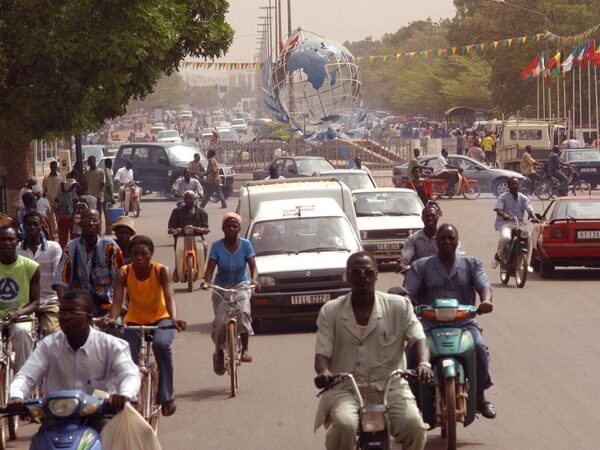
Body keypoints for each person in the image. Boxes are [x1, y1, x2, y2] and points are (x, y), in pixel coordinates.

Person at [313, 252, 432, 450]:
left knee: (415, 427)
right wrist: (324, 373)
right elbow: (322, 353)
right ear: (347, 276)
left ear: (377, 275)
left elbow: (418, 338)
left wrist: (423, 364)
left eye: (368, 272)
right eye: (356, 272)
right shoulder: (331, 311)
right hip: (347, 390)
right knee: (344, 425)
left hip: (391, 388)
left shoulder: (399, 306)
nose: (363, 277)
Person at [404, 224, 496, 419]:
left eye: (451, 238)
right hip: (429, 323)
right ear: (436, 242)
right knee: (411, 353)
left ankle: (480, 396)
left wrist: (486, 300)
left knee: (480, 348)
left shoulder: (472, 263)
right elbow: (409, 291)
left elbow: (484, 286)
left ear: (457, 241)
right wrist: (406, 302)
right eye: (443, 239)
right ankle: (413, 398)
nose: (447, 242)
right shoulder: (421, 266)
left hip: (463, 323)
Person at [8, 290, 139, 417]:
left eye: (73, 312)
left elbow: (129, 374)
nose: (65, 317)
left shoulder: (111, 345)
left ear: (89, 316)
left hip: (100, 420)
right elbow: (26, 376)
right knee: (40, 440)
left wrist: (124, 394)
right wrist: (16, 396)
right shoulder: (48, 345)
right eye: (62, 312)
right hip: (57, 422)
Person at [102, 235, 186, 417]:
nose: (139, 258)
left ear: (151, 254)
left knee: (161, 345)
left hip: (162, 319)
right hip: (135, 320)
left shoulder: (161, 270)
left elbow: (170, 296)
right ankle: (129, 393)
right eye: (135, 254)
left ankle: (166, 395)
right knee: (126, 353)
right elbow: (117, 300)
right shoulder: (124, 272)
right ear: (129, 255)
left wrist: (174, 319)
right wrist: (112, 317)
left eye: (144, 254)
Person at [201, 213, 259, 374]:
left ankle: (246, 349)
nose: (231, 228)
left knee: (244, 312)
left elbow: (253, 267)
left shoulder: (246, 245)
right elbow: (210, 268)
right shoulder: (217, 246)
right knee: (220, 321)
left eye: (234, 226)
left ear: (239, 228)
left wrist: (254, 280)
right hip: (221, 286)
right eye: (228, 226)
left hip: (241, 284)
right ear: (223, 228)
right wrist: (207, 282)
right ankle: (219, 351)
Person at [53, 209, 122, 315]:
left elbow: (121, 280)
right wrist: (66, 308)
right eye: (87, 220)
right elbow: (60, 281)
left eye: (95, 220)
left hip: (107, 307)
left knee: (118, 327)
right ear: (80, 223)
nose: (91, 223)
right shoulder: (71, 247)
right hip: (78, 308)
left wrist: (117, 309)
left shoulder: (110, 246)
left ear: (100, 223)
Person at [0, 225, 41, 371]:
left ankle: (23, 381)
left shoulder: (31, 266)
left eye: (10, 239)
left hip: (20, 317)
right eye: (2, 239)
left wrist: (18, 313)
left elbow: (36, 302)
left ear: (17, 241)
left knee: (23, 333)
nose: (6, 243)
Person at [16, 212, 62, 336]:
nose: (32, 227)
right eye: (28, 224)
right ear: (23, 227)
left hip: (49, 301)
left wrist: (63, 304)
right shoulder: (17, 249)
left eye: (35, 224)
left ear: (41, 226)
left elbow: (59, 279)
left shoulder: (54, 248)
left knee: (53, 333)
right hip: (24, 303)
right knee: (22, 333)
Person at [491, 177, 537, 269]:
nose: (515, 185)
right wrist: (505, 215)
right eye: (513, 184)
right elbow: (499, 210)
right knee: (505, 239)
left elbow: (529, 209)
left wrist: (534, 217)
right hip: (505, 224)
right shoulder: (503, 197)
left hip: (519, 224)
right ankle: (497, 256)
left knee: (528, 239)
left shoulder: (523, 198)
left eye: (516, 184)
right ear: (508, 186)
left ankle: (526, 264)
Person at [167, 191, 209, 282]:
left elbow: (206, 227)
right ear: (184, 199)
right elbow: (171, 226)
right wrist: (172, 230)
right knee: (179, 250)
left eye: (190, 198)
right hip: (181, 236)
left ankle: (202, 267)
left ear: (195, 199)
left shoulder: (202, 212)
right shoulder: (177, 211)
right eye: (186, 198)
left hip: (197, 237)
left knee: (205, 247)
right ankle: (177, 267)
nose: (188, 200)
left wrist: (203, 230)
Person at [42, 161, 64, 237]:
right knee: (51, 220)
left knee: (59, 219)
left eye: (55, 167)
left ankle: (60, 233)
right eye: (52, 167)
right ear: (50, 168)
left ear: (57, 167)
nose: (54, 169)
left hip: (59, 201)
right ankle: (52, 234)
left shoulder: (61, 177)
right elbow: (44, 190)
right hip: (49, 201)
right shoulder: (46, 178)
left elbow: (63, 189)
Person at [82, 156, 106, 222]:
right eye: (89, 162)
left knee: (98, 214)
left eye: (92, 161)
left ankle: (99, 229)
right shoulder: (86, 173)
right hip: (89, 198)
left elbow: (103, 184)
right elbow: (84, 184)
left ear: (95, 161)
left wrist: (99, 194)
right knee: (90, 215)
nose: (90, 163)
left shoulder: (101, 171)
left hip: (98, 197)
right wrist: (86, 192)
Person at [102, 157, 115, 234]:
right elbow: (109, 185)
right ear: (110, 164)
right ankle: (109, 230)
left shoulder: (104, 171)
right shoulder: (107, 171)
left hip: (104, 196)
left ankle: (108, 230)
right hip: (107, 196)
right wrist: (111, 197)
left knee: (106, 214)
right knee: (109, 214)